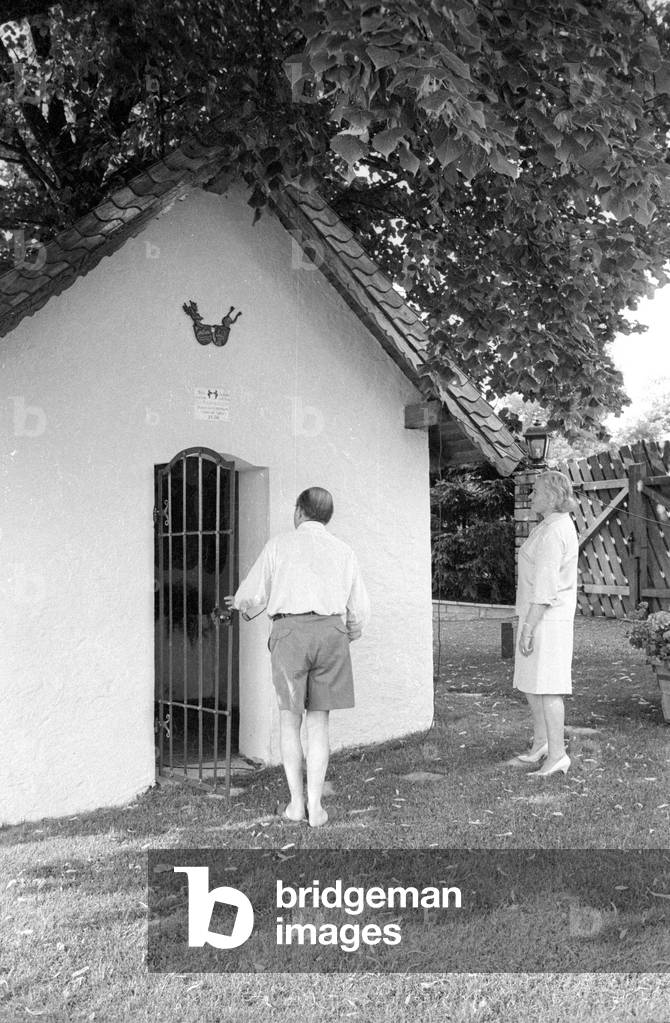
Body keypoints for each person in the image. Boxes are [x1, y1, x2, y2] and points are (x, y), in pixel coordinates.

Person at [224, 486, 370, 827]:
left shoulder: (279, 544)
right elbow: (359, 606)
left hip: (289, 633)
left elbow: (252, 591)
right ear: (326, 516)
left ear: (299, 512)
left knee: (291, 721)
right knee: (319, 722)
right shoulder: (344, 550)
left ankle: (295, 805)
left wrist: (241, 602)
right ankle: (316, 809)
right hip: (332, 632)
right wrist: (352, 630)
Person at [513, 469, 579, 777]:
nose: (530, 496)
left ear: (552, 497)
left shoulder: (555, 531)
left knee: (549, 686)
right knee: (532, 684)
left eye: (536, 491)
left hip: (547, 619)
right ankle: (541, 743)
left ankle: (558, 755)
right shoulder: (547, 526)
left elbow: (545, 585)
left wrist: (528, 627)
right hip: (537, 615)